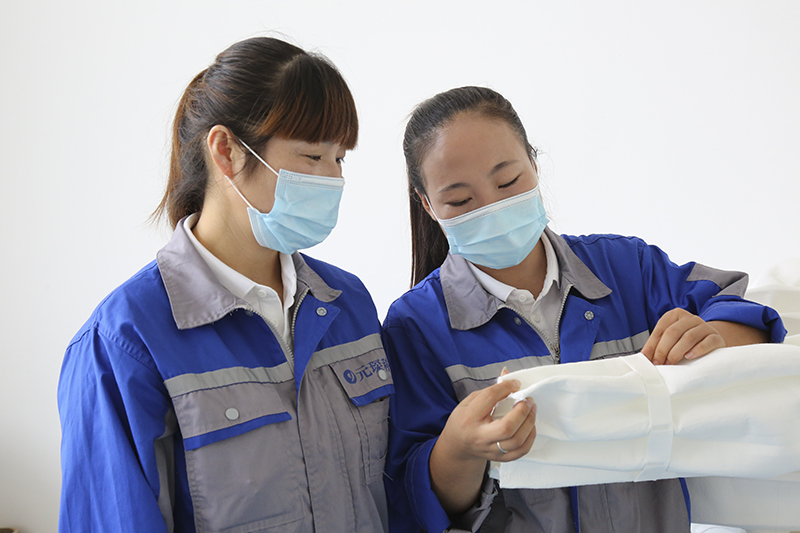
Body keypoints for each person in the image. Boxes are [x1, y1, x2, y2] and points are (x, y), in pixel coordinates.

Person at [382, 86, 785, 533]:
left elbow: (744, 311)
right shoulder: (414, 327)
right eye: (461, 201)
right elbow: (419, 498)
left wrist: (713, 334)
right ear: (427, 204)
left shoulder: (628, 267)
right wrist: (461, 450)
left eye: (508, 181)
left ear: (534, 164)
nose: (492, 207)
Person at [58, 37, 393, 533]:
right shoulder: (124, 342)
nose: (331, 179)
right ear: (227, 150)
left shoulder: (348, 304)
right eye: (311, 156)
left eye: (339, 158)